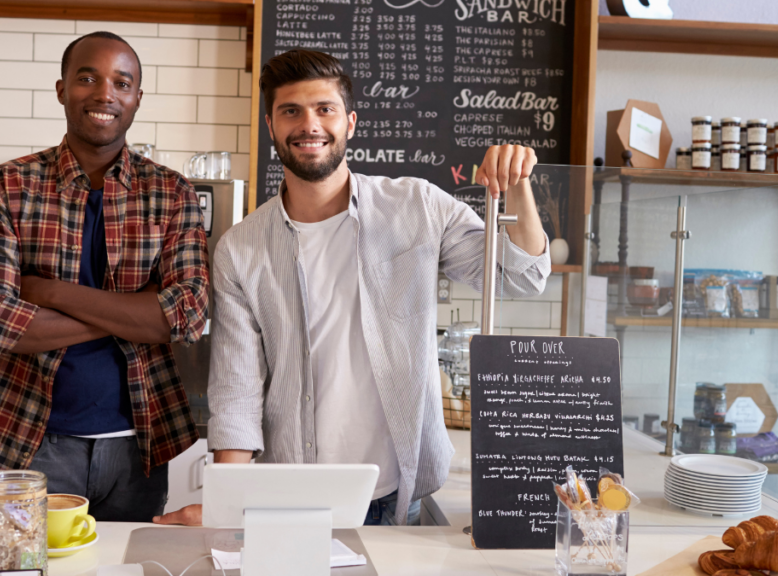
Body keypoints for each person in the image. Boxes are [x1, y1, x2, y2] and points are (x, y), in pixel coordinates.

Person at [155, 49, 550, 527]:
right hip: (291, 495)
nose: (309, 124)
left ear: (350, 122)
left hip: (398, 496)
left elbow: (524, 276)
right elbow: (237, 393)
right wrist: (226, 507)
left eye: (325, 109)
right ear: (271, 125)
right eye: (291, 111)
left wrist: (519, 184)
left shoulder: (417, 206)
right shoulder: (240, 248)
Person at [0, 31, 209, 522]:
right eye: (87, 78)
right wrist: (135, 309)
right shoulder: (6, 186)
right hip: (27, 438)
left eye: (122, 82)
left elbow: (185, 315)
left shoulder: (171, 192)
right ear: (61, 89)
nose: (104, 93)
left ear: (137, 97)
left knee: (126, 568)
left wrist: (49, 292)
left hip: (139, 445)